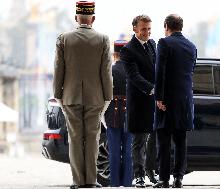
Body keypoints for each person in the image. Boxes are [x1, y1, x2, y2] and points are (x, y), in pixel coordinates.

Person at [53, 1, 113, 189]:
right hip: (95, 97)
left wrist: (58, 94)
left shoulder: (64, 39)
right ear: (93, 19)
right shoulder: (103, 39)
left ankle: (78, 181)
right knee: (93, 138)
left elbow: (58, 69)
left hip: (70, 97)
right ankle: (91, 181)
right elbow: (106, 72)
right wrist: (108, 97)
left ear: (76, 18)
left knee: (75, 138)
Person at [153, 14, 197, 188]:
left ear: (166, 26)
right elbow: (191, 71)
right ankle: (178, 178)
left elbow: (160, 72)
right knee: (181, 141)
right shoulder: (192, 46)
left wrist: (159, 97)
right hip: (185, 100)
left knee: (163, 141)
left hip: (167, 100)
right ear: (181, 27)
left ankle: (163, 179)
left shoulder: (164, 43)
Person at [120, 15, 158, 187]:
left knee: (154, 140)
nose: (147, 32)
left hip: (155, 102)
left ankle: (151, 172)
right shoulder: (128, 50)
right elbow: (134, 76)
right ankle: (139, 176)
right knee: (139, 141)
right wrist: (153, 89)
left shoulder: (153, 44)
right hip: (140, 101)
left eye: (149, 28)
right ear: (135, 29)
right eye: (143, 29)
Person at [104, 40, 133, 187]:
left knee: (114, 151)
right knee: (128, 151)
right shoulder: (133, 71)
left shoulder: (110, 71)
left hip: (112, 115)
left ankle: (114, 183)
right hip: (130, 115)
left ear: (114, 54)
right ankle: (127, 182)